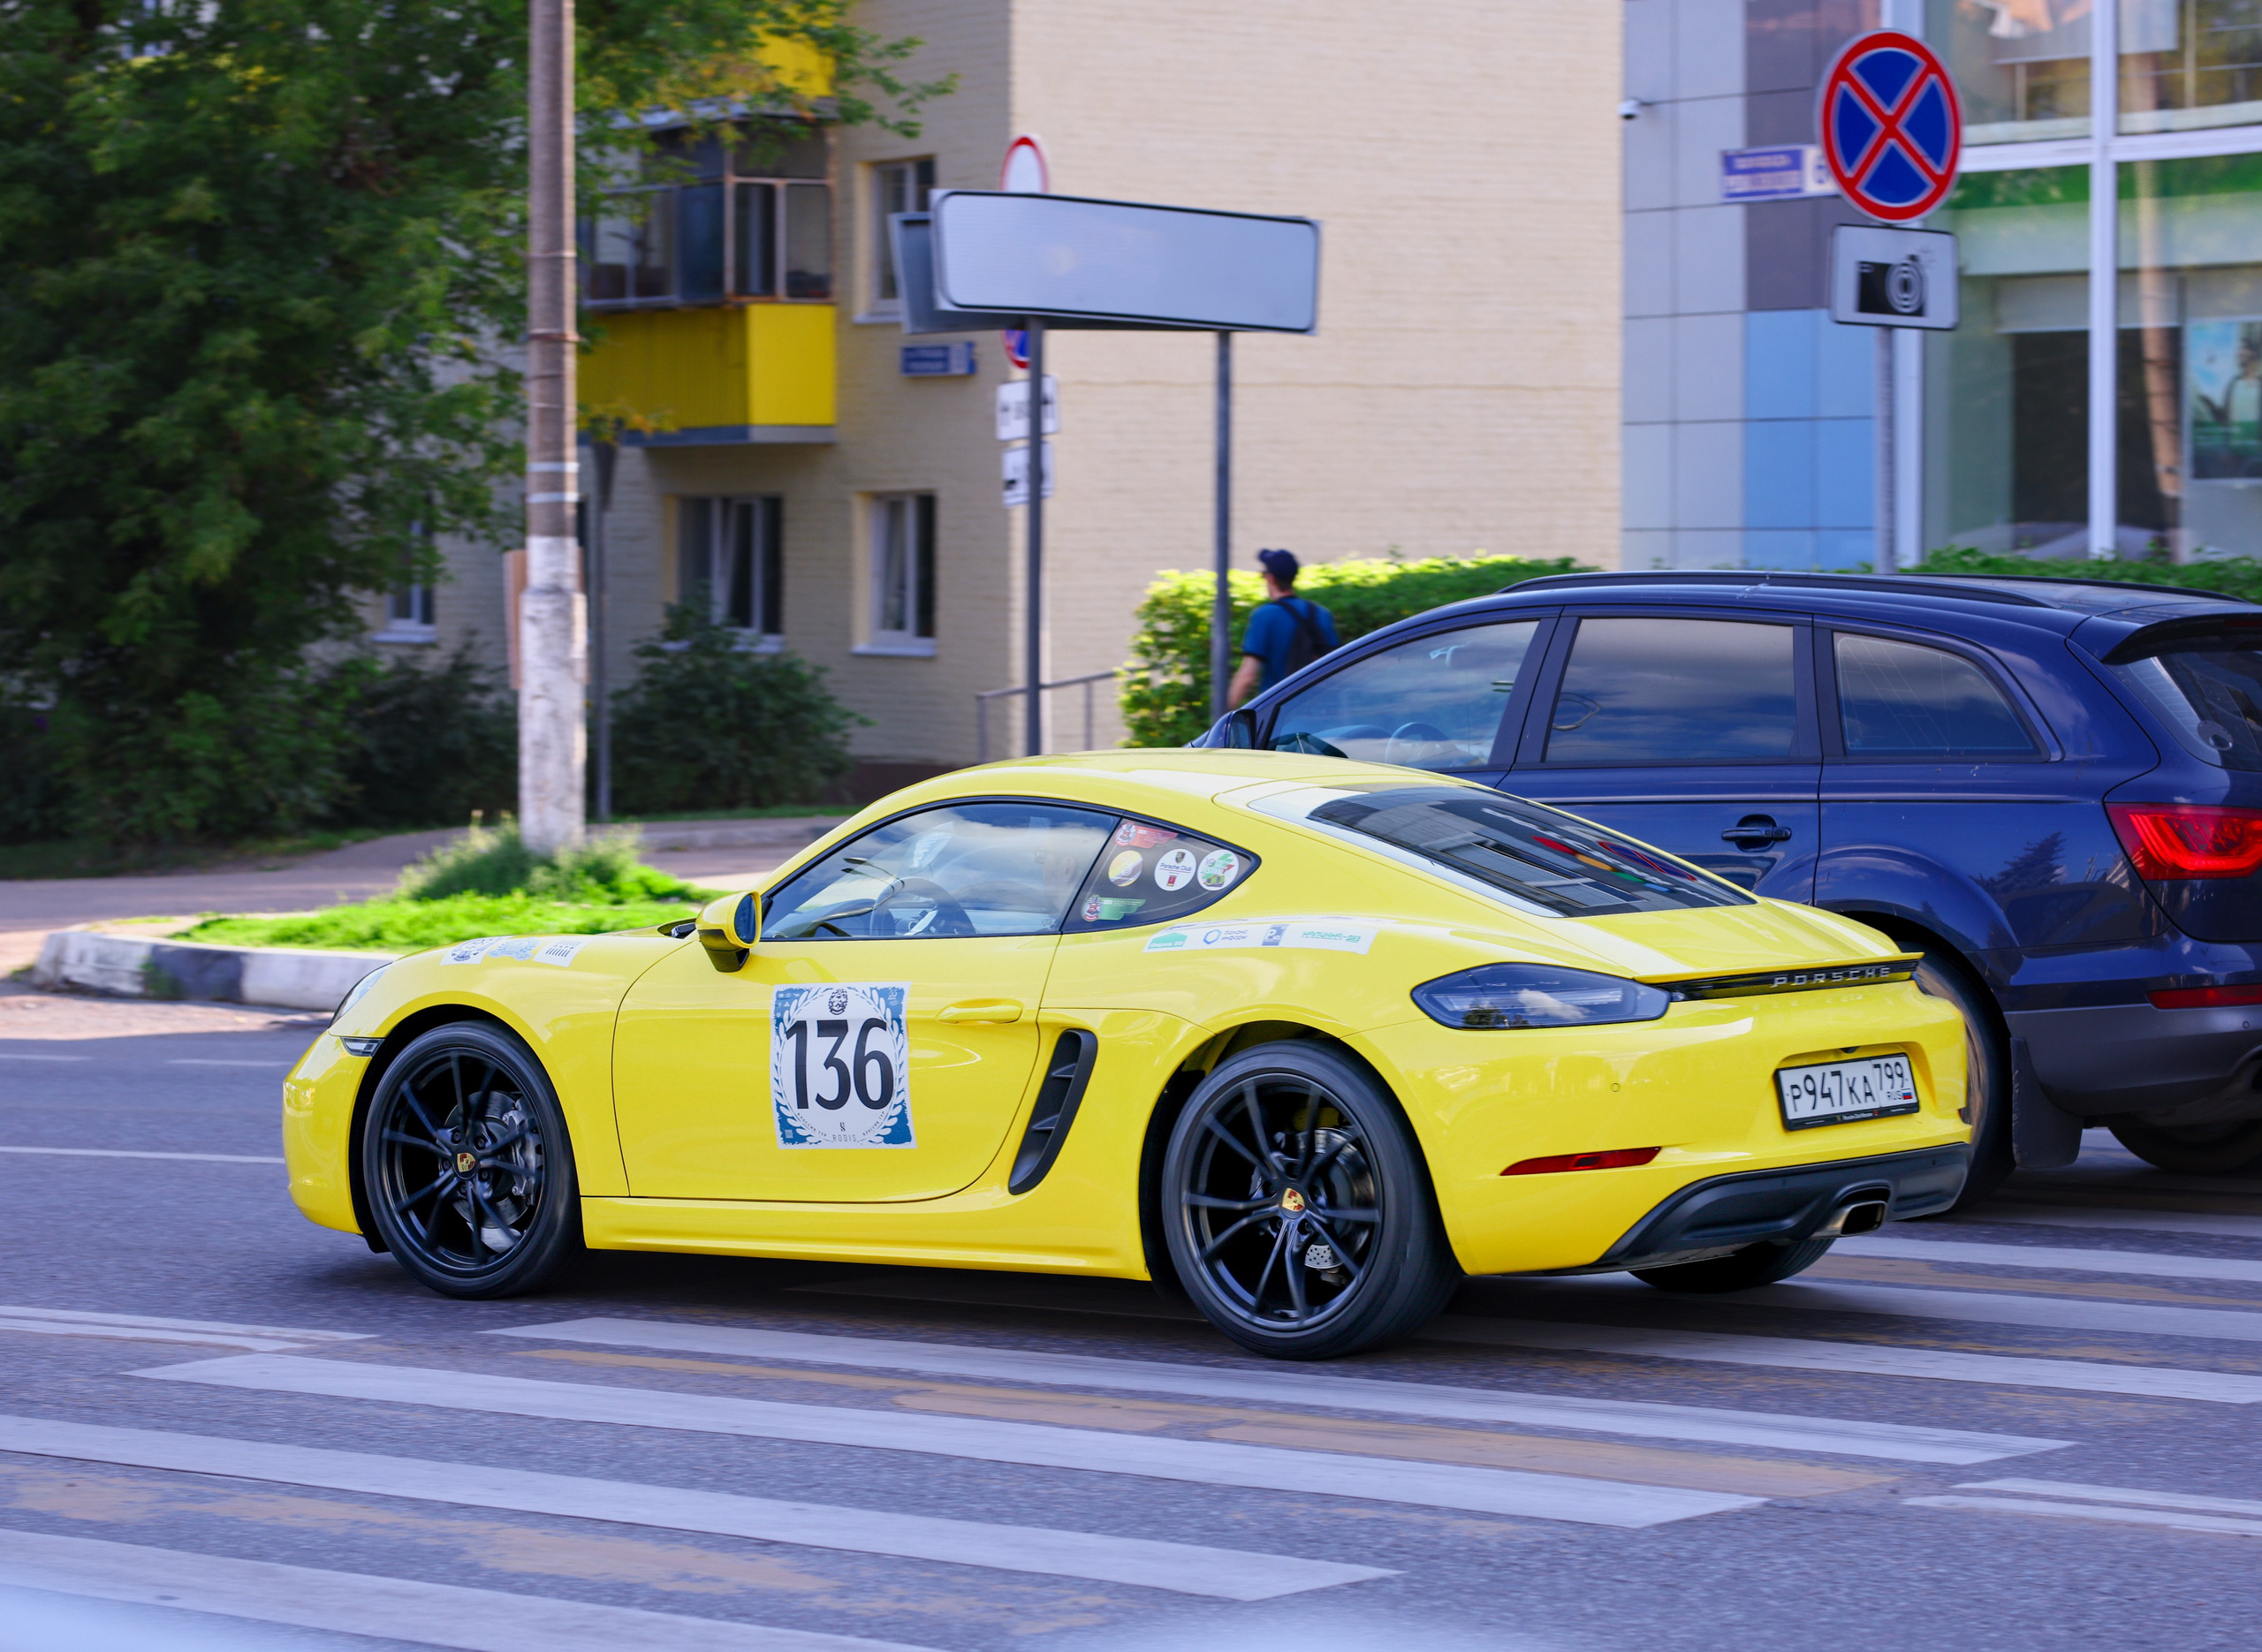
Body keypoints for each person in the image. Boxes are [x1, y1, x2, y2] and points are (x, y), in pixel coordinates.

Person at [1226, 548, 1339, 709]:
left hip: (1281, 714)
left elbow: (1248, 675)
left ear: (1270, 578)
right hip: (1321, 710)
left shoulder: (1265, 615)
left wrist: (1222, 717)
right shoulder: (1321, 613)